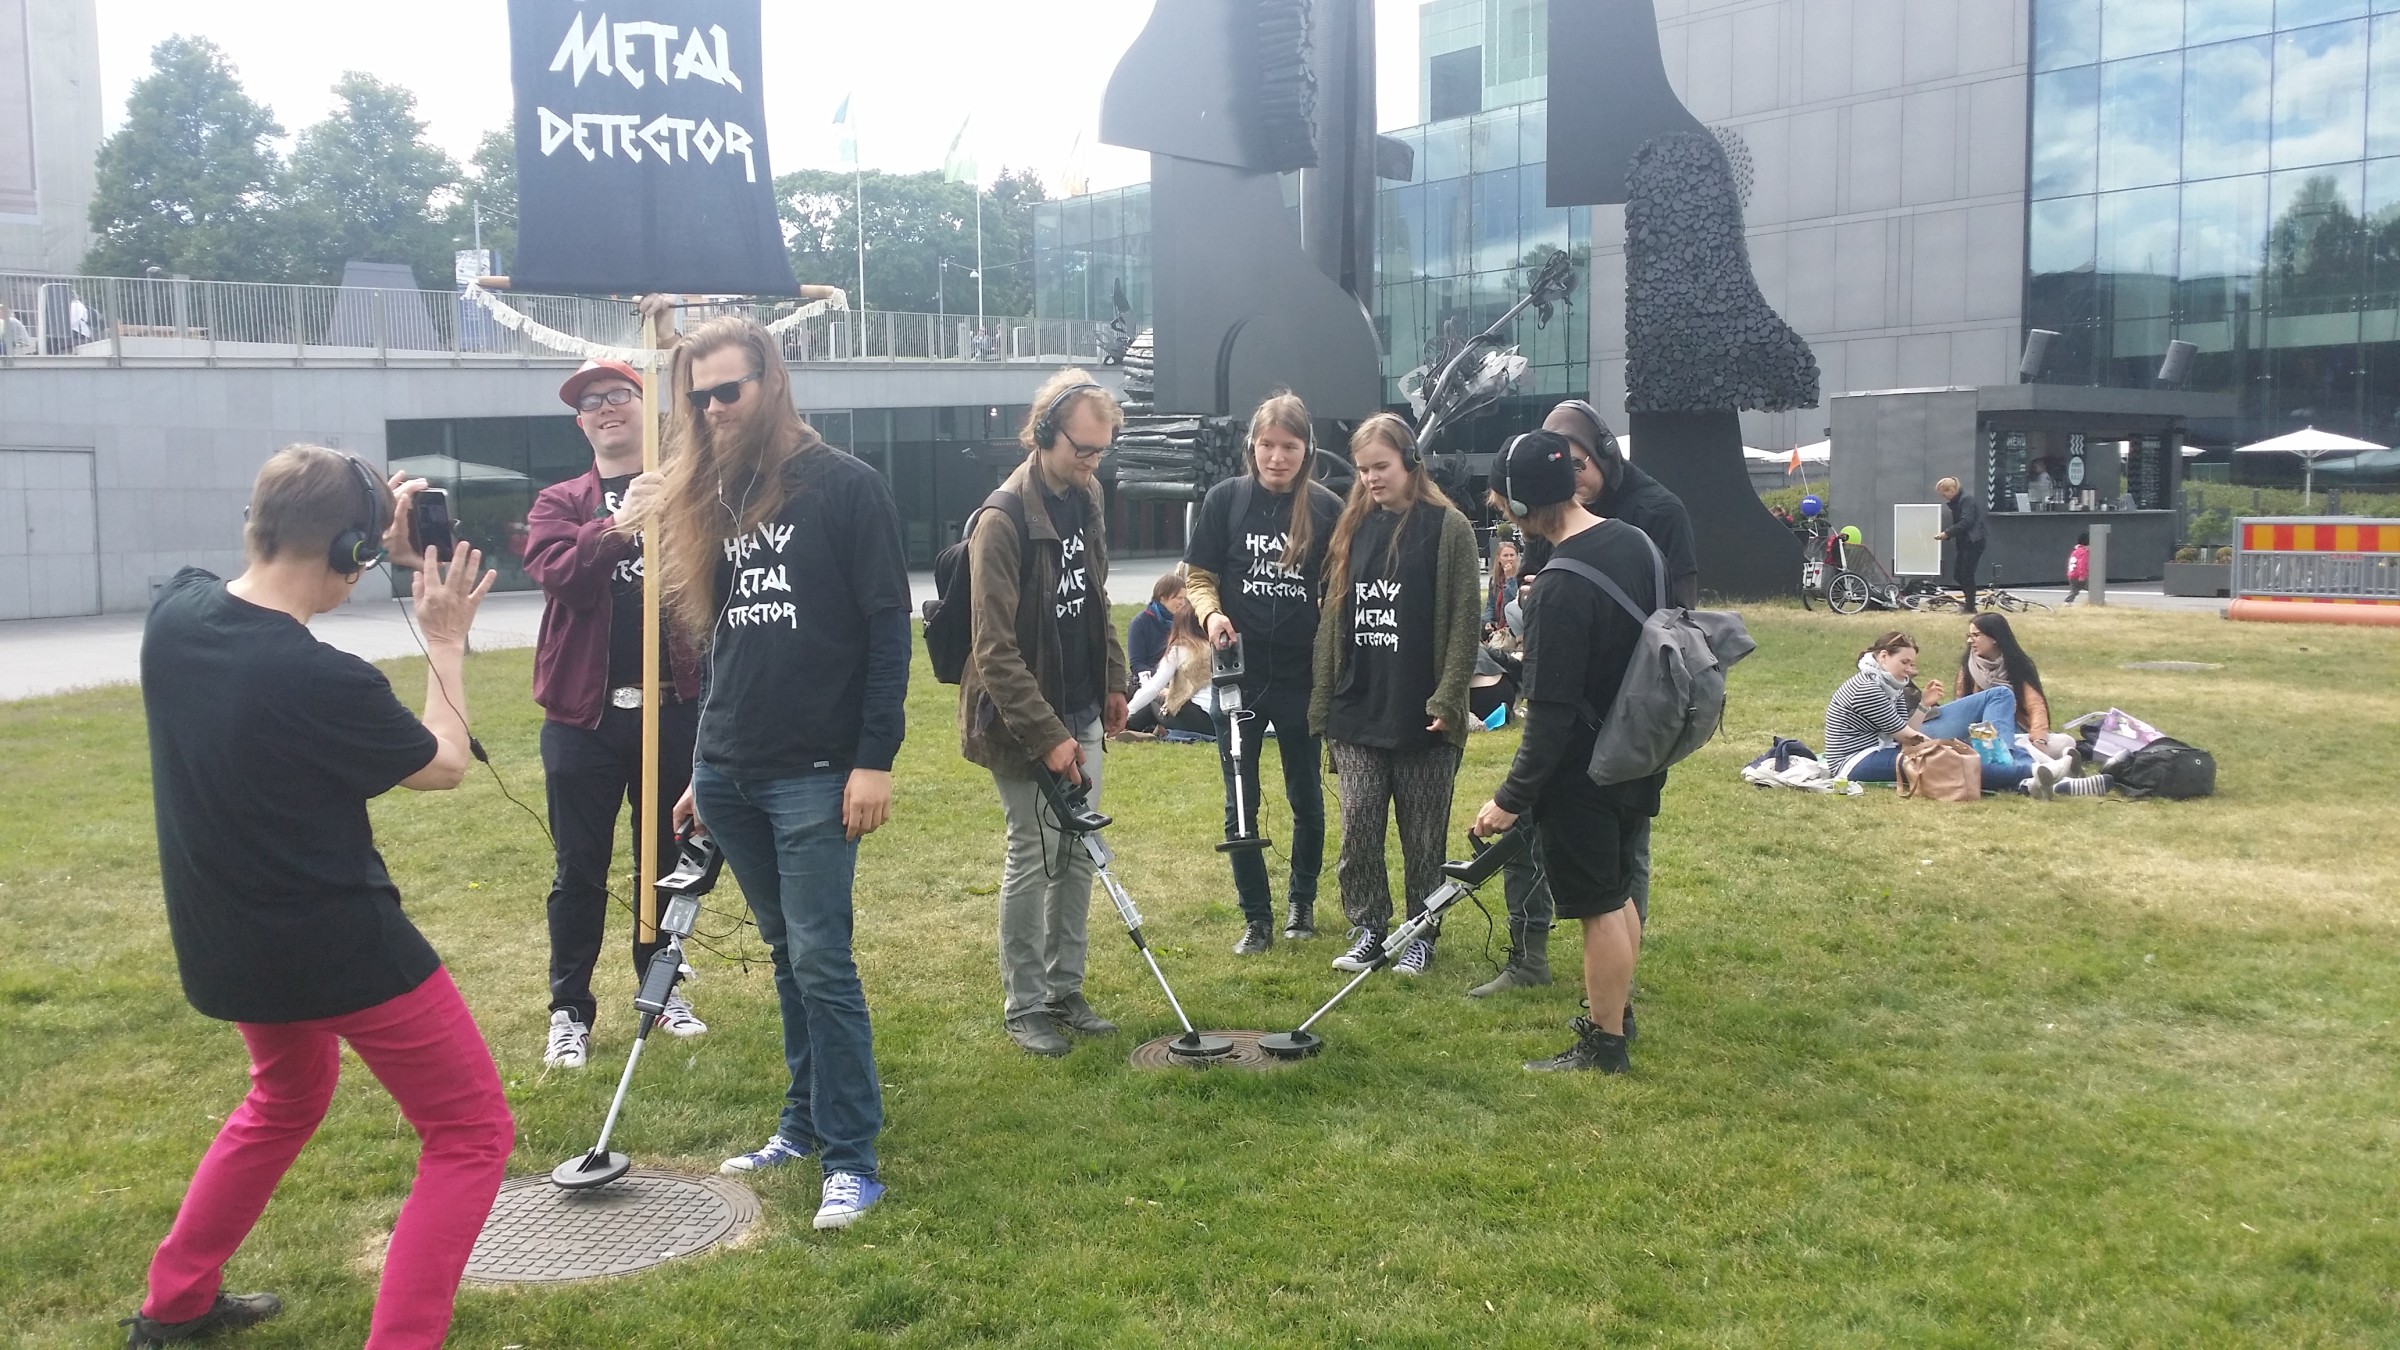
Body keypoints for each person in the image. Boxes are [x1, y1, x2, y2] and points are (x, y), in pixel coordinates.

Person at [123, 447, 511, 1349]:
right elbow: (445, 766)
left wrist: (365, 518)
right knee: (470, 1132)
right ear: (349, 552)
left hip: (227, 941)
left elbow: (273, 560)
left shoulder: (173, 615)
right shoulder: (322, 679)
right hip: (342, 946)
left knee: (287, 1092)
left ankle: (174, 1303)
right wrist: (446, 638)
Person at [640, 317, 910, 1229]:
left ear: (772, 381)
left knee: (823, 962)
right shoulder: (715, 494)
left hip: (817, 774)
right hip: (729, 774)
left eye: (729, 391)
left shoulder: (846, 486)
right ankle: (799, 1124)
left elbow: (886, 631)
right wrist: (701, 765)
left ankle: (853, 1156)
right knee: (787, 960)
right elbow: (723, 647)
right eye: (699, 398)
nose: (713, 410)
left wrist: (873, 760)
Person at [1474, 398, 1698, 998]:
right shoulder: (1635, 541)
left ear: (1520, 505)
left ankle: (1603, 1038)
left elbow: (1549, 713)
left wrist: (1510, 799)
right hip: (1640, 748)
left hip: (1586, 771)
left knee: (1599, 908)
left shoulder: (1559, 586)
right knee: (1620, 893)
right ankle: (1616, 1019)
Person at [522, 359, 707, 1073]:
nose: (606, 409)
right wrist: (619, 524)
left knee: (665, 864)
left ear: (645, 406)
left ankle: (660, 993)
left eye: (620, 396)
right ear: (580, 422)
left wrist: (663, 506)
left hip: (672, 710)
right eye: (591, 402)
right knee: (580, 867)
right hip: (583, 719)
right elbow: (561, 577)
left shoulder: (684, 494)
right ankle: (569, 1010)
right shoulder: (560, 502)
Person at [957, 369, 1131, 1056]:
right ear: (1043, 431)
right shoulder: (1000, 521)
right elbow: (993, 650)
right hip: (1017, 716)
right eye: (1081, 449)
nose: (1091, 463)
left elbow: (1096, 595)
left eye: (1100, 451)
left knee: (1080, 852)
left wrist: (1114, 678)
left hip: (1080, 702)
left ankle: (1066, 990)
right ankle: (1024, 1004)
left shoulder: (1085, 498)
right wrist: (1050, 737)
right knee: (1033, 852)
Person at [1310, 412, 1480, 977]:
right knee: (1358, 823)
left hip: (1421, 711)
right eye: (1362, 470)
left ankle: (1420, 932)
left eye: (1380, 467)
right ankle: (1369, 927)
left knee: (1423, 834)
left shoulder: (1448, 527)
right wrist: (1325, 698)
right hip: (1358, 705)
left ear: (1411, 461)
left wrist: (1448, 698)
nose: (1371, 479)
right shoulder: (1352, 525)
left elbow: (1462, 621)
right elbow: (1333, 616)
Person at [1184, 390, 1345, 953]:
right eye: (1267, 445)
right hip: (1240, 676)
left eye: (1289, 447)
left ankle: (1302, 902)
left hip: (1301, 676)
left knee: (1306, 794)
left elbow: (1339, 588)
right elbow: (1198, 573)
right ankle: (1256, 917)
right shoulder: (1226, 499)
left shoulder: (1327, 508)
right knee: (1240, 798)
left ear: (1307, 450)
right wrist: (1212, 614)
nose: (1277, 457)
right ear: (1252, 446)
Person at [1949, 612, 2106, 797]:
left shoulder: (2017, 665)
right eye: (1969, 636)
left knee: (2065, 741)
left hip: (2019, 730)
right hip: (1984, 737)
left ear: (1994, 638)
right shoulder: (1968, 668)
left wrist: (2039, 738)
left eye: (1976, 635)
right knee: (2025, 747)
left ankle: (2057, 770)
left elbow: (2035, 705)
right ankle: (2065, 778)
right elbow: (1961, 707)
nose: (1970, 641)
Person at [1124, 602, 1219, 739]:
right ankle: (1147, 730)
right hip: (1220, 720)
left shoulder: (1180, 649)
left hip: (1199, 719)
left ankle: (1126, 727)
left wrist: (1128, 712)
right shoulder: (1216, 646)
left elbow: (1153, 688)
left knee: (1154, 701)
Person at [1934, 476, 1988, 612]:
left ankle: (1970, 607)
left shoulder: (1966, 500)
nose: (1944, 497)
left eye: (1944, 493)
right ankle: (1969, 604)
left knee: (1966, 574)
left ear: (1952, 490)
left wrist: (1947, 533)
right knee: (1959, 574)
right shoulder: (1960, 501)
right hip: (1966, 542)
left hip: (1973, 541)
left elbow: (1966, 522)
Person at [1126, 571, 1185, 687]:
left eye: (1184, 598)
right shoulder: (1140, 623)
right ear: (1163, 597)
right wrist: (1165, 677)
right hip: (1154, 683)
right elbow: (1137, 664)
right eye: (1179, 598)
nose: (1183, 603)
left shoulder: (1186, 622)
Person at [1484, 536, 1521, 634]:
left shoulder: (1520, 577)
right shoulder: (1495, 579)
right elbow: (1490, 605)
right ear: (1499, 558)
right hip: (1497, 624)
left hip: (1513, 624)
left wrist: (1510, 579)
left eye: (1512, 555)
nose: (1509, 559)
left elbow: (1512, 601)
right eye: (1505, 555)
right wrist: (1488, 621)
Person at [2064, 531, 2090, 605]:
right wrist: (2082, 575)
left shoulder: (2075, 551)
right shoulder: (2083, 552)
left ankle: (2068, 602)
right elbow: (2082, 564)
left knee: (2074, 590)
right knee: (2091, 587)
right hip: (2079, 574)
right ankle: (2099, 599)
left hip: (2072, 574)